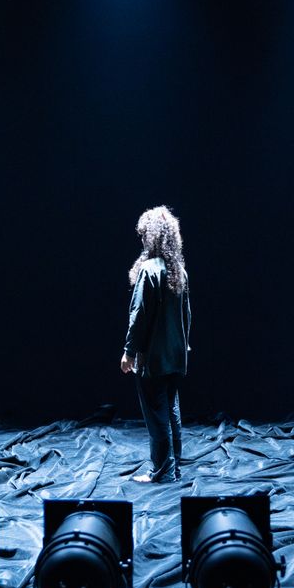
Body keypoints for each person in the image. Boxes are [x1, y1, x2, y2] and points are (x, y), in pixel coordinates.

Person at [120, 206, 191, 484]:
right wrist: (183, 347)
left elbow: (138, 316)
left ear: (152, 237)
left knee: (157, 414)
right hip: (175, 355)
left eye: (143, 236)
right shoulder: (179, 272)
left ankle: (162, 472)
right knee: (171, 409)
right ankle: (174, 466)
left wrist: (129, 352)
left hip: (154, 358)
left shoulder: (149, 271)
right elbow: (187, 316)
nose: (141, 241)